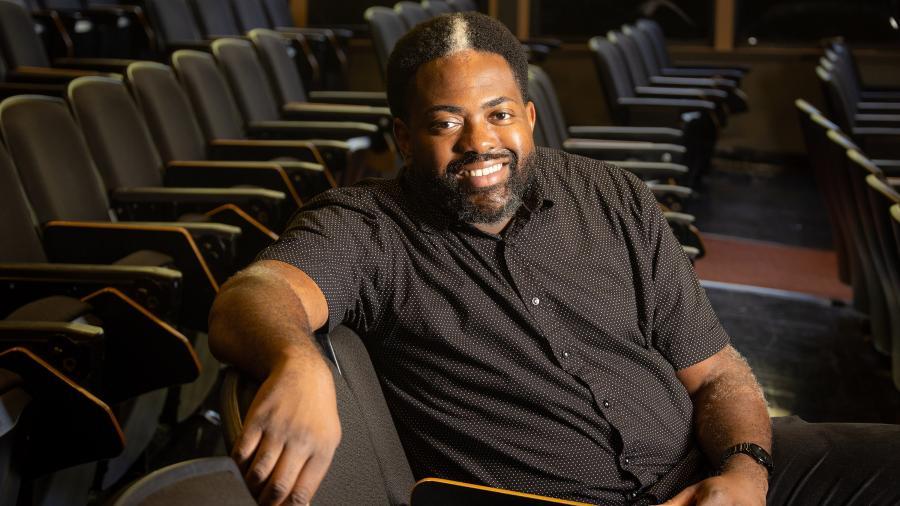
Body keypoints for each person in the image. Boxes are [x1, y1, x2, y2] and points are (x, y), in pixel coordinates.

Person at [208, 12, 900, 506]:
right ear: (405, 138)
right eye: (447, 123)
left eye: (500, 114)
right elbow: (252, 294)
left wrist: (745, 473)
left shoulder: (611, 195)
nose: (480, 142)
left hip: (708, 469)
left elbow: (717, 372)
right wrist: (296, 359)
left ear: (530, 118)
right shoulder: (370, 229)